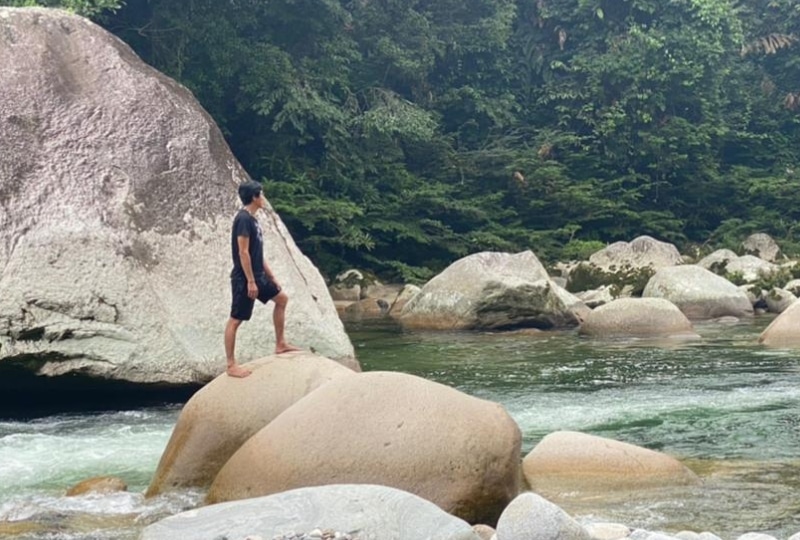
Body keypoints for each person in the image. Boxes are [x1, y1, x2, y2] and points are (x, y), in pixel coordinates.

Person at [224, 180, 301, 377]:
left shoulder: (254, 220)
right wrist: (250, 280)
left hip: (258, 276)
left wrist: (271, 276)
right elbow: (243, 253)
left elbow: (257, 252)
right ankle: (231, 365)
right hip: (244, 278)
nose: (264, 198)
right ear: (254, 197)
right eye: (261, 195)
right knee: (235, 320)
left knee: (282, 299)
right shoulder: (243, 219)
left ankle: (280, 344)